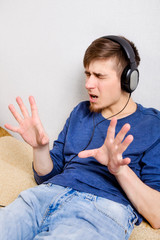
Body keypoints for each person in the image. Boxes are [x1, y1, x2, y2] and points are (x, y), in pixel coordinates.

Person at [0, 35, 160, 240]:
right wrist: (40, 148)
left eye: (99, 76)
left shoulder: (153, 125)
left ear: (128, 80)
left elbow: (156, 215)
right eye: (87, 74)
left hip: (98, 212)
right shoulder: (80, 112)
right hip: (44, 197)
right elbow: (46, 176)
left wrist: (120, 170)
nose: (88, 84)